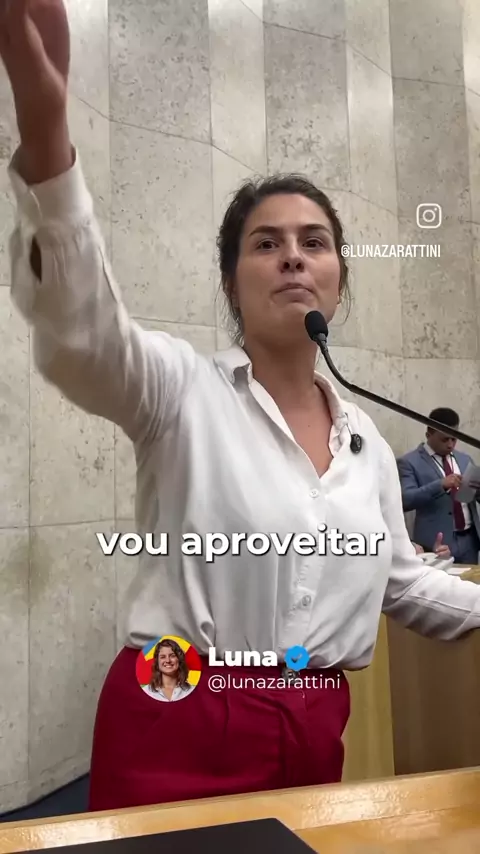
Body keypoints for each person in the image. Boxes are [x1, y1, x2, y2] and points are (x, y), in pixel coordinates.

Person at [2, 0, 480, 814]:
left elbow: (402, 583)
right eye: (266, 243)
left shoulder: (365, 440)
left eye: (314, 242)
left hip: (313, 719)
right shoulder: (179, 389)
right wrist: (49, 140)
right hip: (175, 708)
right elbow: (82, 336)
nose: (292, 257)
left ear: (338, 281)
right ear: (232, 282)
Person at [397, 408, 480, 565]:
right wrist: (440, 485)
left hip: (469, 541)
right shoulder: (409, 462)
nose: (450, 444)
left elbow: (473, 497)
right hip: (436, 543)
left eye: (454, 439)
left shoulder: (465, 459)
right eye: (444, 439)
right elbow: (405, 500)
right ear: (429, 434)